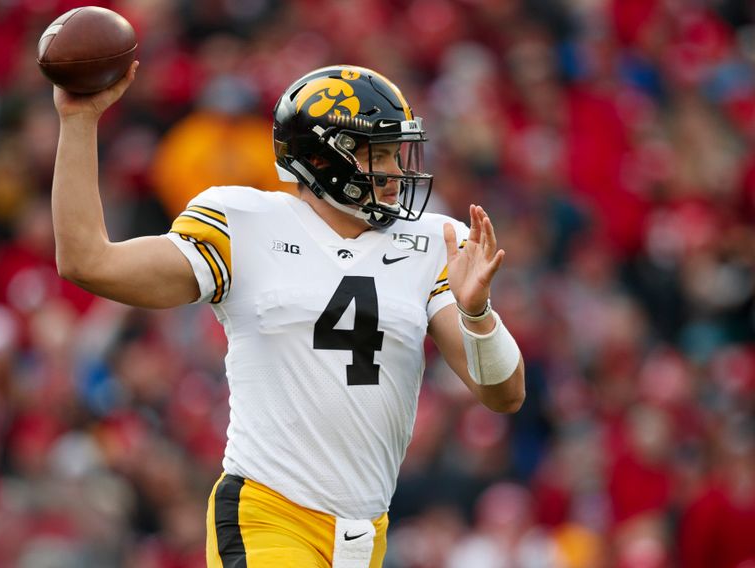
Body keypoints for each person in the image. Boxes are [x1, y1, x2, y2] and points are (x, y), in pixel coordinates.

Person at [51, 62, 525, 568]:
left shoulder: (432, 242)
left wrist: (477, 314)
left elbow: (504, 394)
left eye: (397, 152)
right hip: (268, 512)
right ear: (324, 160)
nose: (396, 174)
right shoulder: (245, 224)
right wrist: (79, 121)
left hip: (365, 533)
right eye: (378, 155)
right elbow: (88, 261)